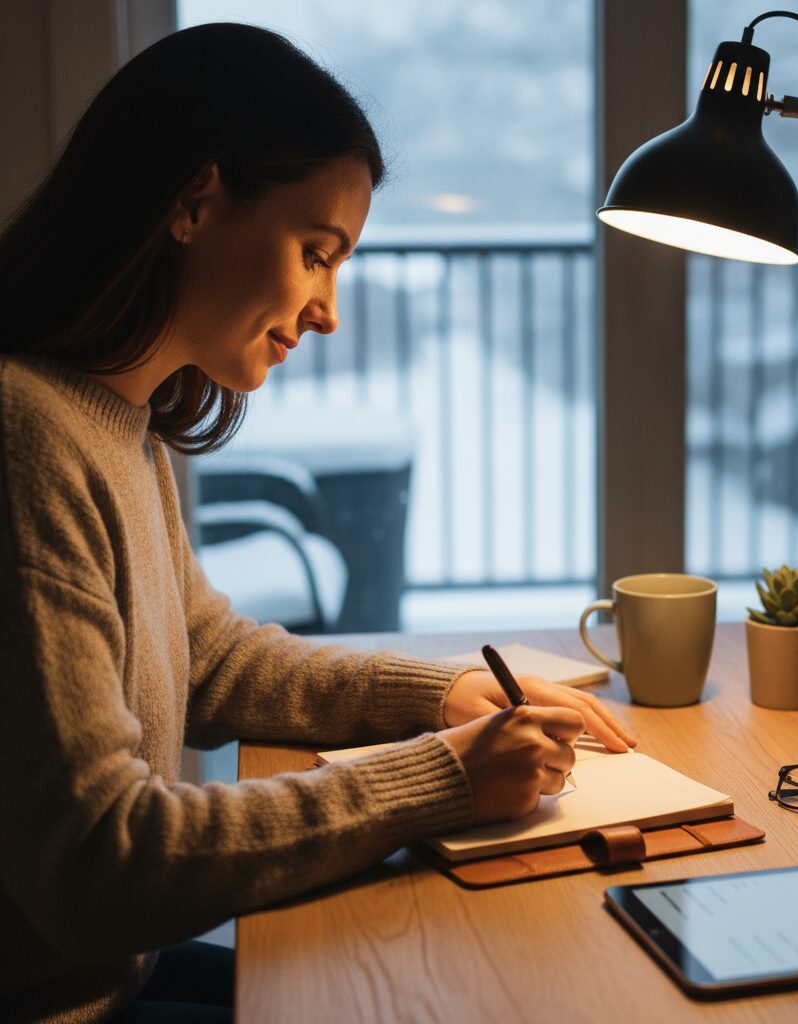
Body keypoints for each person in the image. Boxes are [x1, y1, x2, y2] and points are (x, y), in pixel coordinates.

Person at [0, 23, 637, 1024]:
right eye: (314, 252)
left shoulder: (117, 418)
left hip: (115, 976)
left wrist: (439, 694)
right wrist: (440, 780)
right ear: (195, 201)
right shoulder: (23, 436)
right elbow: (101, 861)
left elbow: (203, 658)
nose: (327, 308)